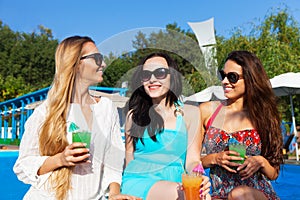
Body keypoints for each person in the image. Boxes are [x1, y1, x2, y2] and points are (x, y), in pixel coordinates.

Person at [13, 36, 137, 200]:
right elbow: (23, 165)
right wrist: (60, 159)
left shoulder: (106, 108)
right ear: (76, 64)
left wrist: (114, 193)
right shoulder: (47, 111)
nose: (104, 64)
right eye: (97, 59)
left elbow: (113, 161)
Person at [121, 52, 211, 200]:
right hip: (139, 180)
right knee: (184, 195)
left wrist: (198, 176)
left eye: (160, 73)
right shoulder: (134, 115)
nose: (152, 79)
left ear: (173, 76)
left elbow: (193, 159)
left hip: (176, 179)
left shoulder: (191, 113)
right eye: (146, 75)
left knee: (202, 196)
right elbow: (129, 157)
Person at [199, 50, 283, 199]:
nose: (225, 81)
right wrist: (215, 158)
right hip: (220, 195)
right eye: (222, 75)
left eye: (232, 77)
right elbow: (192, 162)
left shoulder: (264, 116)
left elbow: (274, 173)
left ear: (250, 79)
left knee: (239, 194)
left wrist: (261, 161)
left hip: (255, 194)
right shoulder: (207, 111)